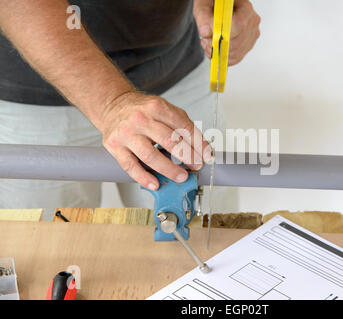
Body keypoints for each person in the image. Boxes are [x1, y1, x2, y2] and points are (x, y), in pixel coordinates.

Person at [0, 0, 260, 219]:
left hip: (177, 74)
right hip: (38, 100)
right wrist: (111, 104)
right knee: (52, 252)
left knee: (207, 239)